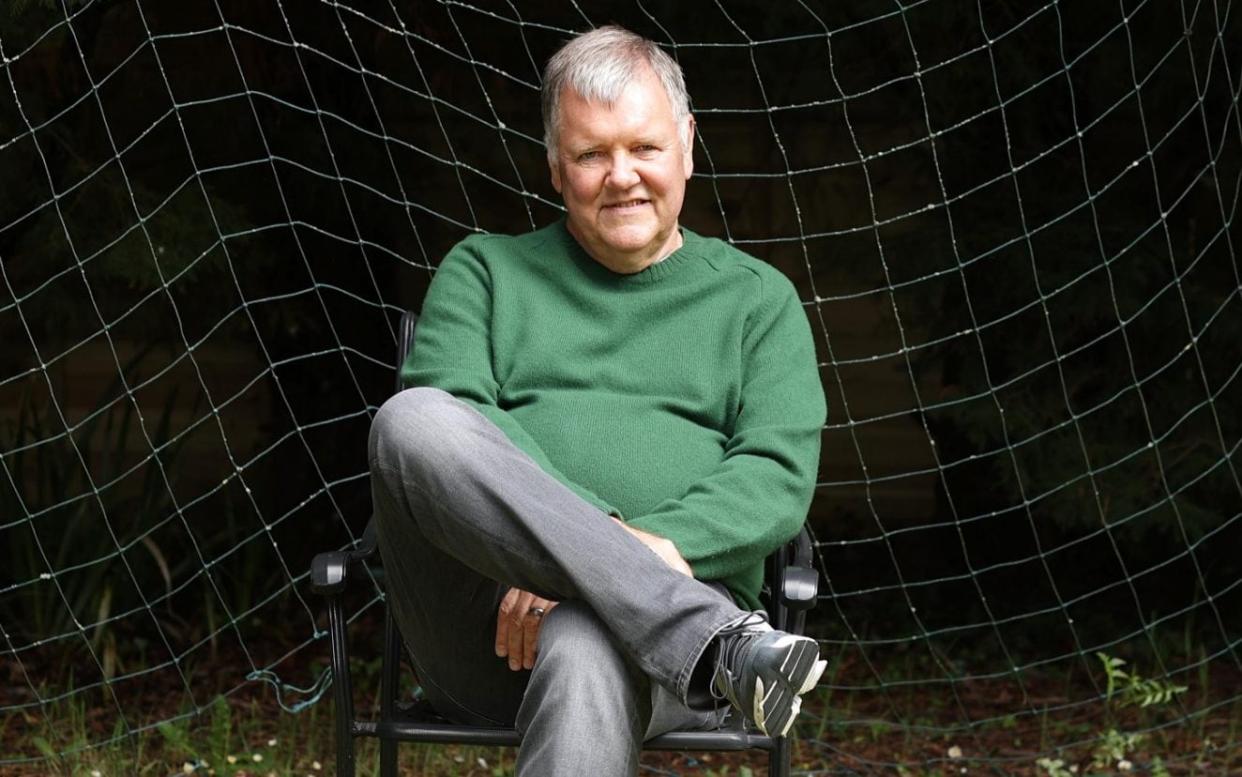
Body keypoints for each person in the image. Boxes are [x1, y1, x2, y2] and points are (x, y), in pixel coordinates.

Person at [368, 25, 827, 776]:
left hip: (660, 663)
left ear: (686, 144)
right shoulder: (484, 272)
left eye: (643, 147)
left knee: (587, 633)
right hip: (487, 626)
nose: (622, 175)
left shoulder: (758, 303)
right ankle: (722, 643)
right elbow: (452, 422)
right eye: (590, 154)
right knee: (411, 420)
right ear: (555, 166)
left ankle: (672, 625)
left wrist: (597, 577)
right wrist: (585, 550)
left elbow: (776, 475)